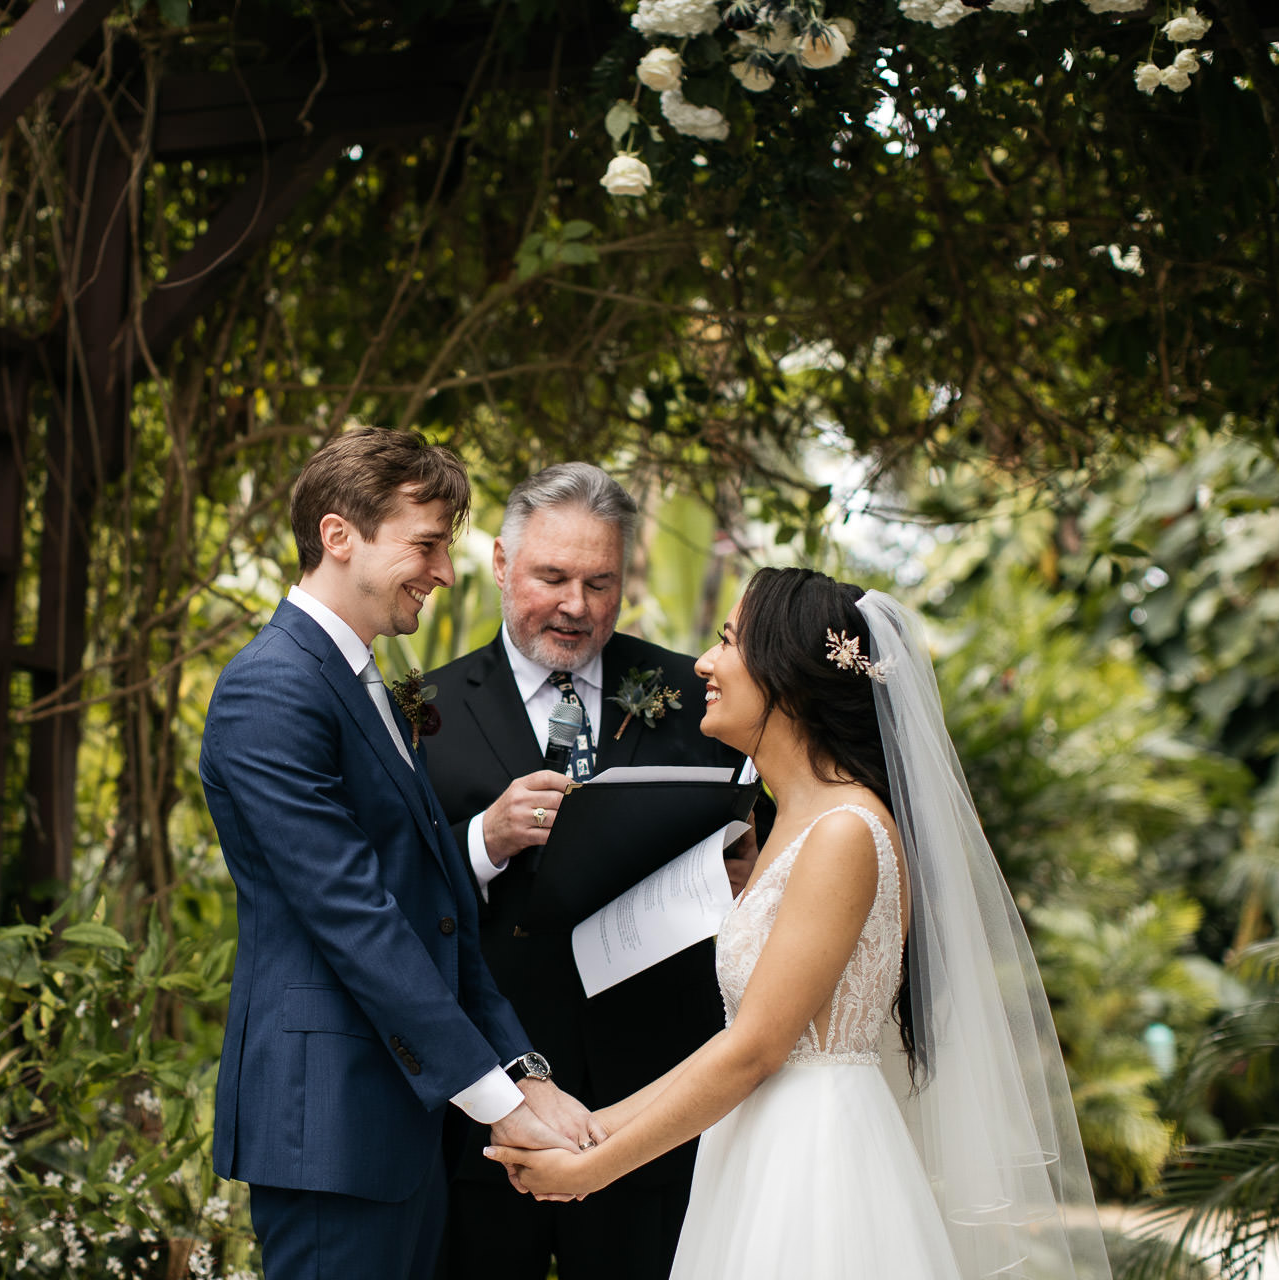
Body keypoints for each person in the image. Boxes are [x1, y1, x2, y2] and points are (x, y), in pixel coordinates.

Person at [486, 568, 1113, 1280]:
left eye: (727, 642)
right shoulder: (790, 822)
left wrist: (593, 1168)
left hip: (815, 1167)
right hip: (756, 1146)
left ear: (786, 674)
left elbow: (754, 1050)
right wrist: (589, 1127)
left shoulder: (845, 832)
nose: (703, 665)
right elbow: (737, 1045)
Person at [198, 430, 601, 1280]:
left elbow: (438, 907)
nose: (445, 571)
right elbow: (356, 919)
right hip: (329, 1127)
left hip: (395, 1124)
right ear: (339, 536)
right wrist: (498, 1102)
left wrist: (523, 1072)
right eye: (425, 544)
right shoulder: (272, 686)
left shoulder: (367, 682)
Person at [423, 463, 747, 1280]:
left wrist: (738, 864)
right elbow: (388, 899)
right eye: (553, 577)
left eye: (600, 583)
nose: (575, 606)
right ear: (501, 564)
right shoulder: (421, 709)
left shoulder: (694, 691)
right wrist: (483, 843)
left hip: (657, 1095)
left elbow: (760, 843)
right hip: (491, 1098)